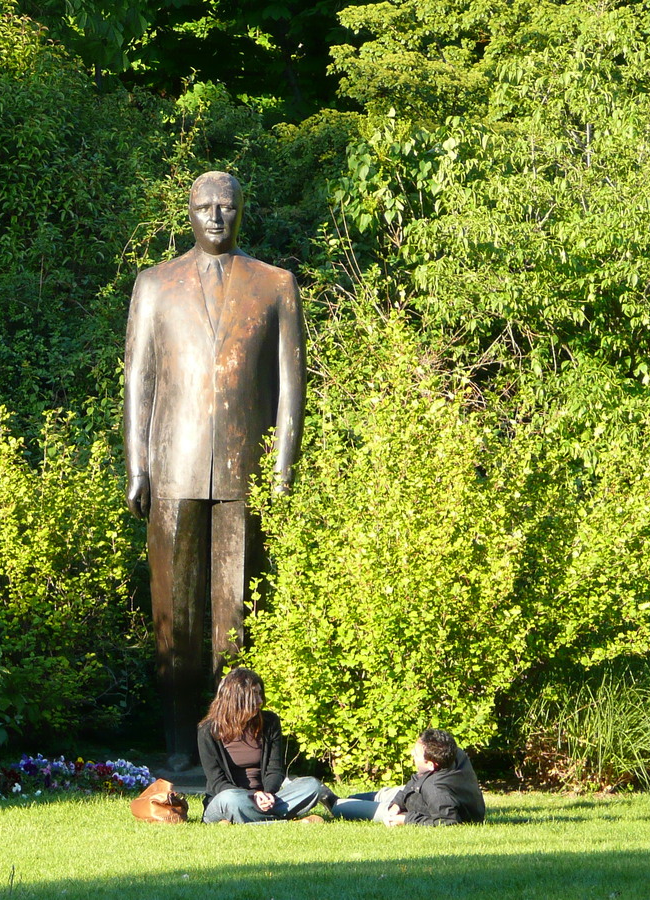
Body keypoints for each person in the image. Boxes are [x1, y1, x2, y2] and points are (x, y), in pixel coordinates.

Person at [124, 171, 306, 768]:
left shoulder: (275, 285)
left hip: (244, 473)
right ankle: (179, 748)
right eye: (204, 206)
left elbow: (290, 386)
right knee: (174, 622)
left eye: (225, 207)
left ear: (241, 211)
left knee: (237, 621)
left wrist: (281, 469)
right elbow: (139, 384)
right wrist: (137, 465)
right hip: (171, 467)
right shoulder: (154, 284)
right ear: (188, 211)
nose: (215, 217)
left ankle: (235, 752)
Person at [197, 668, 327, 824]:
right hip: (231, 799)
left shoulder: (270, 722)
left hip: (268, 799)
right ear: (235, 699)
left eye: (260, 694)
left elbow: (275, 769)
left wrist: (267, 794)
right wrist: (253, 796)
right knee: (230, 799)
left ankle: (245, 819)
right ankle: (286, 822)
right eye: (254, 696)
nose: (260, 701)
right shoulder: (208, 731)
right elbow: (217, 782)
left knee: (311, 786)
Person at [324, 728, 487, 826]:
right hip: (413, 795)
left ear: (431, 765)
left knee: (339, 807)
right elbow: (417, 779)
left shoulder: (437, 792)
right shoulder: (454, 754)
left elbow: (447, 822)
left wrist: (405, 818)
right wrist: (397, 802)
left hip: (415, 807)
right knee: (382, 794)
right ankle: (357, 798)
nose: (411, 754)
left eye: (416, 754)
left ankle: (332, 800)